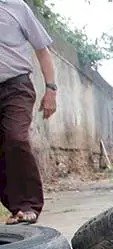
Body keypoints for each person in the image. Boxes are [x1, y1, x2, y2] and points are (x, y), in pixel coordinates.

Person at [0, 0, 57, 224]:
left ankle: (29, 204)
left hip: (16, 87)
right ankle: (16, 207)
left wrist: (51, 89)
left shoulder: (17, 8)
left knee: (15, 138)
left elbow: (42, 51)